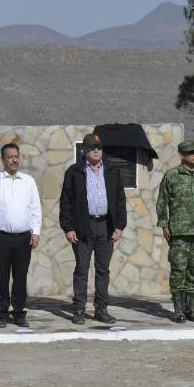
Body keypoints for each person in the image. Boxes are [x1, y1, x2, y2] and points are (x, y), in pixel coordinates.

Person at [59, 132, 127, 325]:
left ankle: (101, 309)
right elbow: (66, 202)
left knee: (103, 270)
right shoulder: (74, 172)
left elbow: (120, 200)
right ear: (85, 151)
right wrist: (68, 227)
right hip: (83, 226)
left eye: (99, 148)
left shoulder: (112, 170)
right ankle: (79, 310)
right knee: (81, 269)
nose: (96, 151)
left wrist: (119, 226)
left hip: (106, 226)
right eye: (92, 148)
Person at [155, 140, 194, 323]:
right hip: (179, 232)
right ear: (182, 155)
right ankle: (178, 309)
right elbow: (162, 201)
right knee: (178, 270)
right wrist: (164, 224)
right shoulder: (172, 176)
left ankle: (192, 309)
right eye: (190, 152)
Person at [0, 142, 42, 327]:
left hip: (24, 238)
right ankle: (2, 312)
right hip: (2, 238)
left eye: (16, 156)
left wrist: (36, 231)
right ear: (3, 160)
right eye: (10, 157)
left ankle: (19, 312)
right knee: (1, 276)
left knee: (20, 276)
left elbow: (35, 208)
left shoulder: (29, 181)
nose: (14, 160)